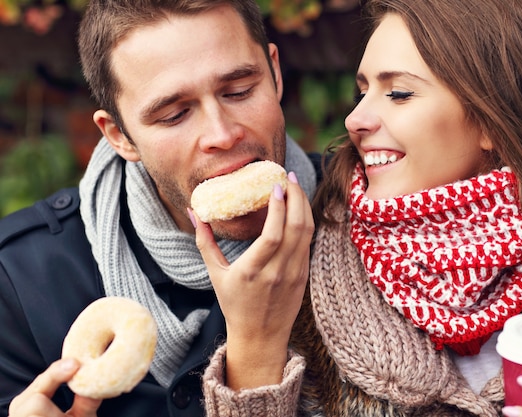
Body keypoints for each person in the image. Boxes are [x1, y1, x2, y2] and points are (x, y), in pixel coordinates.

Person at [194, 0, 522, 415]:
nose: (355, 119)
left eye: (399, 93)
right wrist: (254, 344)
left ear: (494, 122)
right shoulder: (296, 270)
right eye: (362, 91)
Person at [0, 0, 320, 416]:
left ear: (275, 73)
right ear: (120, 136)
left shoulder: (374, 217)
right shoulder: (21, 282)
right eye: (173, 115)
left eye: (239, 91)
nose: (221, 134)